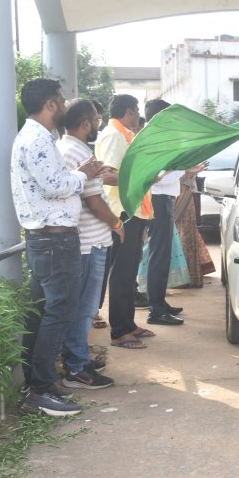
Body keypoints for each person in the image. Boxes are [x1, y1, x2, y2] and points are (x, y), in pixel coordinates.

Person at [11, 78, 103, 416]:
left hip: (48, 239)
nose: (65, 106)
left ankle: (38, 384)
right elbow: (53, 186)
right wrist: (83, 175)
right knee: (58, 312)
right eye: (61, 101)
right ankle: (39, 389)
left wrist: (77, 174)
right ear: (50, 104)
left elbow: (51, 182)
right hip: (54, 239)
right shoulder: (36, 138)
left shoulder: (37, 137)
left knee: (41, 312)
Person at [57, 99, 120, 389]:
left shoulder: (66, 147)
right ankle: (76, 368)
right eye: (96, 119)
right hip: (88, 242)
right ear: (85, 123)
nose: (98, 123)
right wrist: (117, 224)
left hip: (85, 241)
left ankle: (77, 359)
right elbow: (94, 202)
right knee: (84, 307)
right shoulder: (78, 151)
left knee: (82, 305)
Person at [95, 94, 153, 349]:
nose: (137, 115)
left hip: (133, 210)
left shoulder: (125, 135)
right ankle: (119, 331)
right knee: (121, 273)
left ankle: (129, 325)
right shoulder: (113, 135)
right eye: (136, 111)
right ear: (129, 112)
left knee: (129, 272)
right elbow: (106, 175)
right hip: (122, 212)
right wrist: (141, 177)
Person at [143, 99, 186, 326]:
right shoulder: (155, 139)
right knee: (158, 256)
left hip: (162, 199)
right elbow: (160, 176)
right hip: (158, 200)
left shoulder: (158, 137)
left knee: (161, 255)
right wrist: (184, 167)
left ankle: (159, 302)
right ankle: (156, 310)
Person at [175, 166, 216, 287]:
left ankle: (187, 276)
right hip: (175, 198)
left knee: (187, 235)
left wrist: (190, 173)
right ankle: (178, 277)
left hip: (186, 197)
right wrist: (187, 172)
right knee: (176, 236)